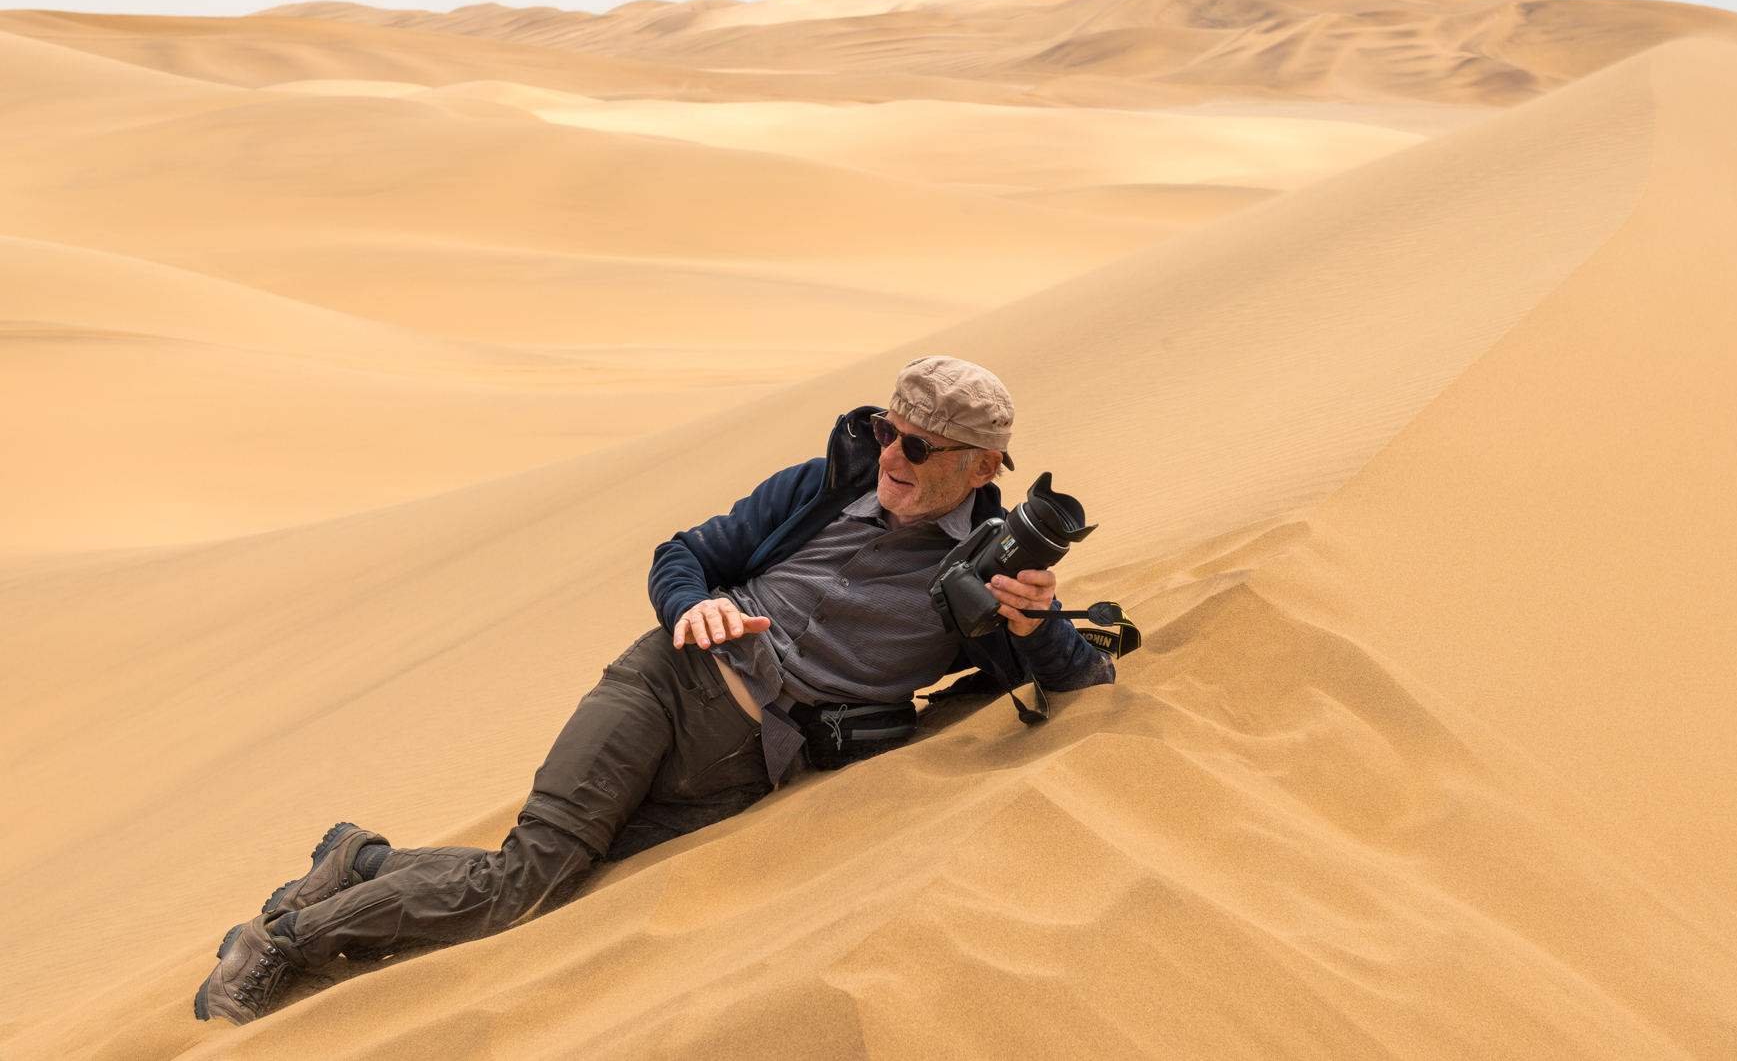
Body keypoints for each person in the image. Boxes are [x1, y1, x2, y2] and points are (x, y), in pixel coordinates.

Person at [194, 356, 1116, 1025]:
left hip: (753, 762)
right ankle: (279, 942)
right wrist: (695, 609)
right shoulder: (823, 486)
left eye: (919, 444)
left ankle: (358, 863)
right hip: (670, 683)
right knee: (525, 885)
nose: (892, 455)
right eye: (887, 432)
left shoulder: (990, 576)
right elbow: (685, 553)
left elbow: (1082, 682)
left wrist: (1038, 624)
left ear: (983, 466)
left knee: (570, 876)